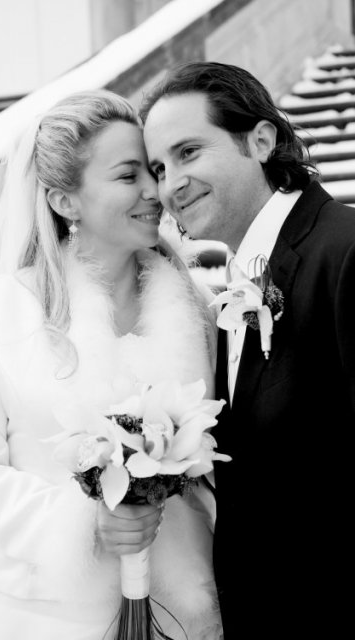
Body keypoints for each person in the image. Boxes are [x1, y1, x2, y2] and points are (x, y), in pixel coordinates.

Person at [0, 90, 223, 639]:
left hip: (181, 611)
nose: (154, 190)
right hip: (47, 614)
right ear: (65, 201)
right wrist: (81, 522)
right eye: (128, 175)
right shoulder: (7, 306)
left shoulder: (199, 310)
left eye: (154, 170)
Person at [141, 62, 355, 640]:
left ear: (261, 141)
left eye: (189, 152)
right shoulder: (231, 292)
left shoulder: (345, 253)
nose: (171, 185)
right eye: (159, 168)